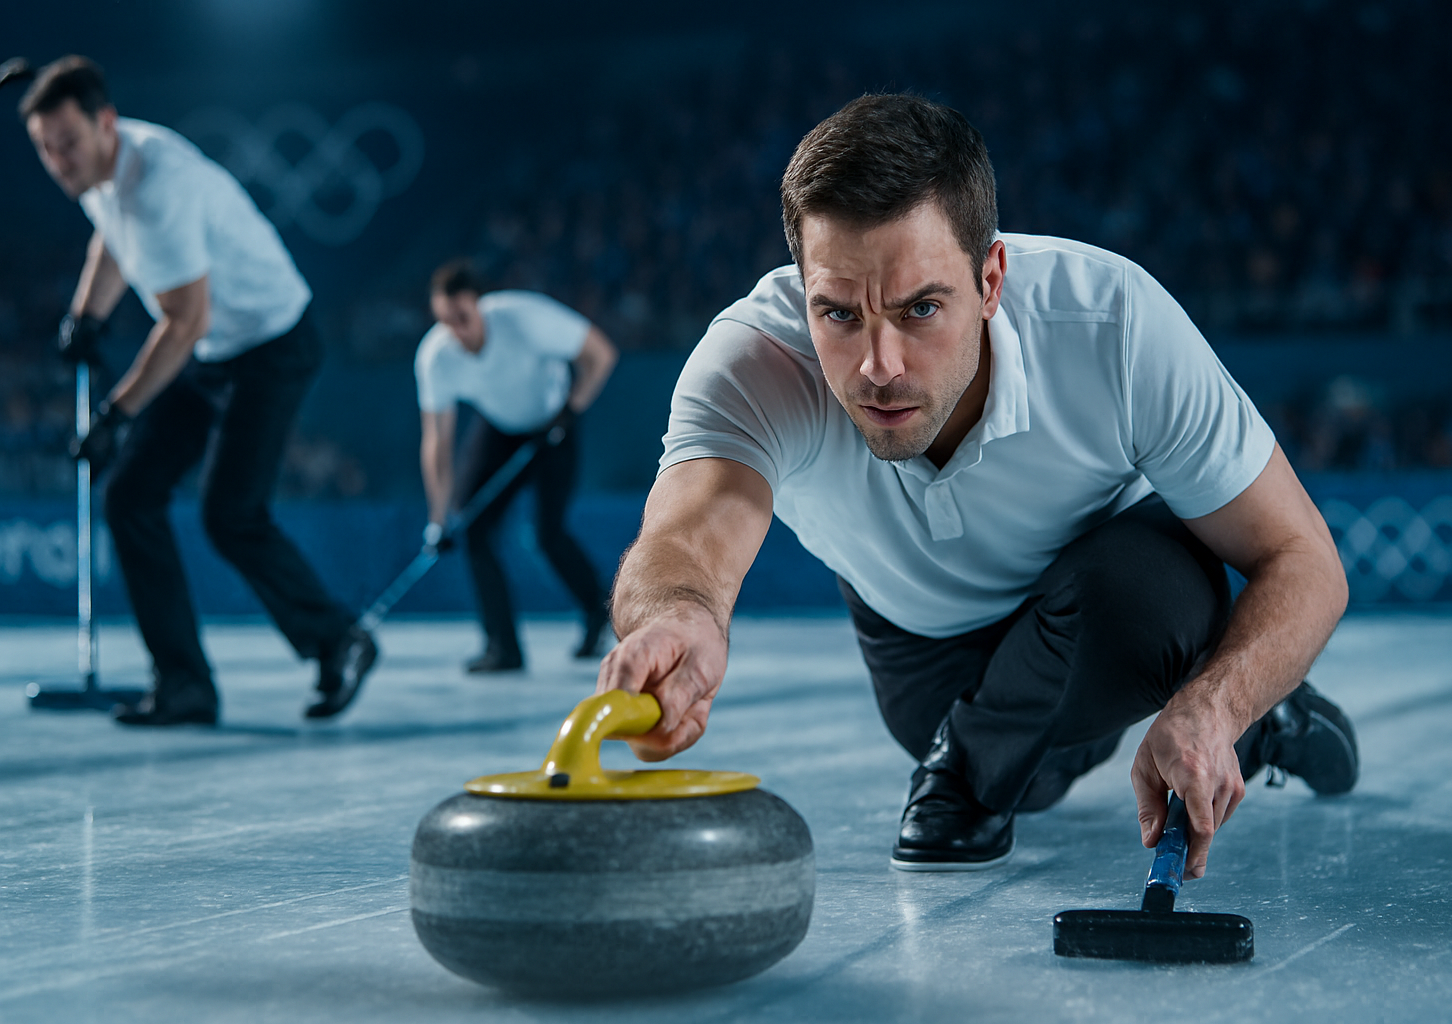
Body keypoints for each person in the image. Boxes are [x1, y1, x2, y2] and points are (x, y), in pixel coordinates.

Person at [597, 94, 1358, 874]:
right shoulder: (751, 361)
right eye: (838, 314)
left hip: (1116, 619)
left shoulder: (1114, 324)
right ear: (801, 291)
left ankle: (1249, 708)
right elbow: (686, 538)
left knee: (1156, 594)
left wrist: (1218, 703)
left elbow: (1303, 558)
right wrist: (681, 617)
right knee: (1018, 774)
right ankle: (1039, 740)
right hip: (925, 650)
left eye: (921, 308)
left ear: (991, 279)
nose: (879, 368)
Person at [18, 56, 376, 726]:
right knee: (130, 497)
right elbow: (110, 240)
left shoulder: (158, 185)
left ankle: (339, 640)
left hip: (273, 342)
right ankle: (184, 684)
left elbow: (185, 321)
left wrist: (116, 413)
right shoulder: (102, 172)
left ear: (105, 123)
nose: (58, 161)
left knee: (230, 515)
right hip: (214, 350)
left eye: (66, 144)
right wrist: (86, 314)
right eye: (43, 148)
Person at [415, 260, 618, 670]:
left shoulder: (523, 318)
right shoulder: (435, 357)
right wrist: (437, 519)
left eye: (462, 318)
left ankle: (598, 613)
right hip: (500, 429)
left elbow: (600, 354)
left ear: (479, 304)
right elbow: (437, 441)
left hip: (553, 425)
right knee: (472, 528)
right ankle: (503, 647)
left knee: (548, 535)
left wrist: (570, 410)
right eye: (444, 321)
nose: (455, 331)